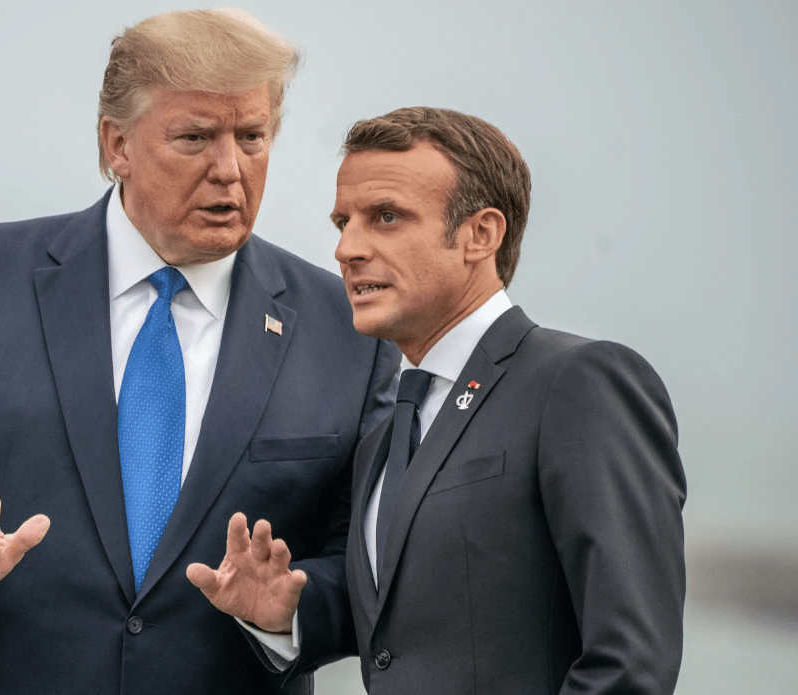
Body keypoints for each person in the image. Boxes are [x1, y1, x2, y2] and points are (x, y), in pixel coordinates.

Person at [0, 10, 399, 694]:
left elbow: (374, 554)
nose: (229, 169)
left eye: (251, 136)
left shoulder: (349, 327)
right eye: (195, 137)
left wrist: (290, 609)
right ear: (117, 144)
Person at [189, 107, 687, 694]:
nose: (346, 248)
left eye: (386, 217)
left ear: (482, 235)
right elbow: (415, 621)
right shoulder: (386, 434)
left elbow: (631, 666)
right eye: (343, 221)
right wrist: (287, 613)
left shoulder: (579, 382)